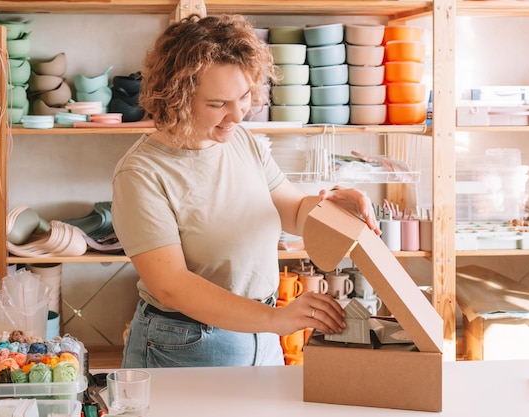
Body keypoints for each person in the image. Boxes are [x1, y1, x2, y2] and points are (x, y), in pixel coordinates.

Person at [111, 14, 381, 368]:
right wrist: (276, 321)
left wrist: (331, 204)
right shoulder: (142, 172)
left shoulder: (240, 140)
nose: (237, 114)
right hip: (185, 345)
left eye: (242, 97)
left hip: (261, 335)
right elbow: (171, 285)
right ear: (177, 98)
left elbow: (295, 210)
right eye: (217, 104)